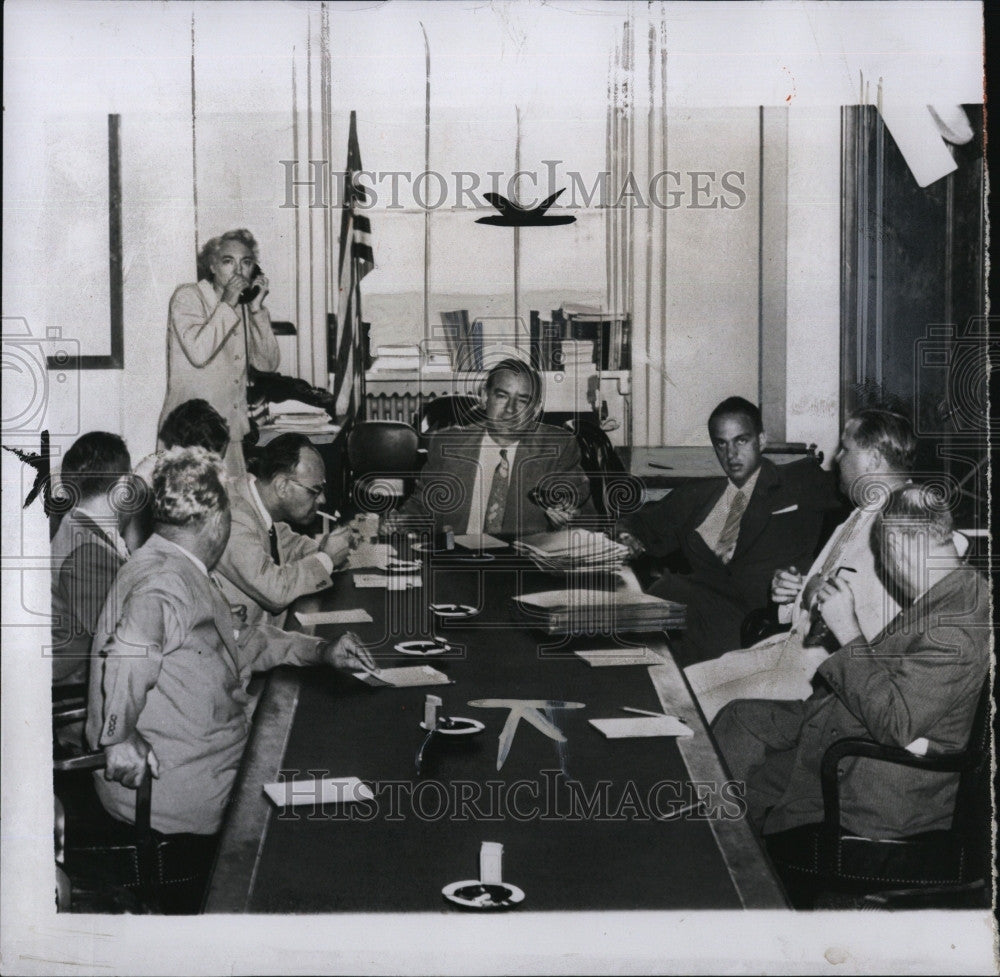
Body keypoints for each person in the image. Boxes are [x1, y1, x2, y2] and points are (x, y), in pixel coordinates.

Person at [86, 447, 375, 909]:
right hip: (184, 795)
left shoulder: (177, 565)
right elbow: (132, 641)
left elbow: (241, 640)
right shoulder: (163, 580)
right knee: (332, 823)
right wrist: (119, 735)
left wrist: (318, 650)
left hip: (202, 766)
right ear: (217, 519)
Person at [712, 483, 990, 840]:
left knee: (744, 793)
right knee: (740, 721)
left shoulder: (956, 627)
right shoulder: (948, 594)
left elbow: (895, 723)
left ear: (897, 548)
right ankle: (719, 842)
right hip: (851, 739)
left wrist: (847, 631)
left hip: (868, 782)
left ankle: (729, 857)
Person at [685, 409, 916, 720]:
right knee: (680, 686)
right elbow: (842, 588)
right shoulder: (864, 513)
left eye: (846, 449)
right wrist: (795, 591)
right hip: (794, 651)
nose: (837, 459)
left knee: (690, 710)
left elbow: (872, 626)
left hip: (826, 675)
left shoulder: (908, 525)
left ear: (873, 459)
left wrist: (809, 592)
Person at [616, 397, 838, 665]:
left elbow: (854, 487)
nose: (731, 454)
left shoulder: (798, 480)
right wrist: (628, 537)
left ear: (762, 441)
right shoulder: (701, 494)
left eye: (741, 441)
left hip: (757, 621)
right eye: (722, 444)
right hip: (700, 611)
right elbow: (640, 523)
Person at [395, 358, 593, 536]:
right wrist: (400, 522)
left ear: (536, 409)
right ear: (484, 396)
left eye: (523, 401)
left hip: (524, 566)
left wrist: (568, 522)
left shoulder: (558, 447)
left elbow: (584, 514)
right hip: (457, 559)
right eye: (502, 396)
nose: (510, 410)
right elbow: (422, 505)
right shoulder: (448, 444)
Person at [158, 229, 279, 477]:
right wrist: (229, 303)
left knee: (230, 507)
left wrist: (257, 310)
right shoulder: (188, 297)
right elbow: (199, 353)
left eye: (246, 263)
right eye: (228, 261)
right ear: (212, 266)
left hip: (230, 434)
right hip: (190, 434)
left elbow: (268, 364)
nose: (238, 271)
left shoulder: (241, 305)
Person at [216, 433, 351, 630]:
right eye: (314, 491)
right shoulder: (235, 518)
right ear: (281, 486)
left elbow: (292, 546)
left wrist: (326, 550)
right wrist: (326, 559)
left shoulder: (259, 503)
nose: (321, 500)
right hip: (245, 646)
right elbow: (275, 592)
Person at [50, 432, 133, 687]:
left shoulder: (77, 524)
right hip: (76, 684)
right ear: (122, 486)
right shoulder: (86, 552)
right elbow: (118, 634)